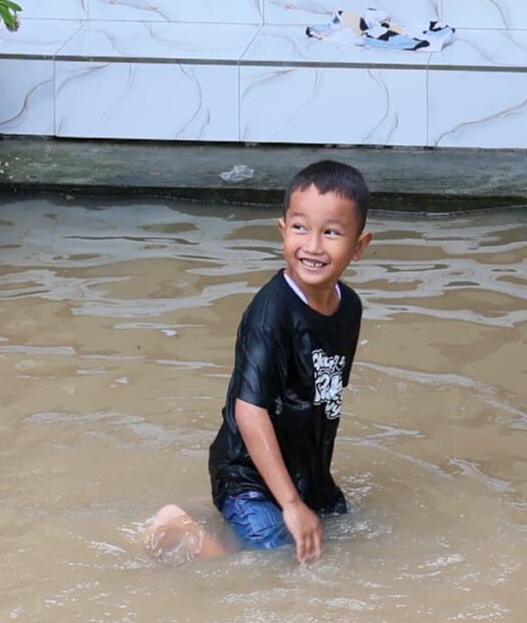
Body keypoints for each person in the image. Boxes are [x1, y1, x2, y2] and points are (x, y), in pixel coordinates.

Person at [144, 160, 372, 564]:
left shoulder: (348, 307)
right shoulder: (271, 314)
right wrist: (290, 504)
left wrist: (308, 492)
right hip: (247, 473)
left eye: (332, 232)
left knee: (345, 537)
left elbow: (324, 395)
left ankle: (221, 510)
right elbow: (249, 411)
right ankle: (178, 523)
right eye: (300, 228)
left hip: (303, 469)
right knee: (273, 563)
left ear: (358, 246)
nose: (314, 246)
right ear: (283, 230)